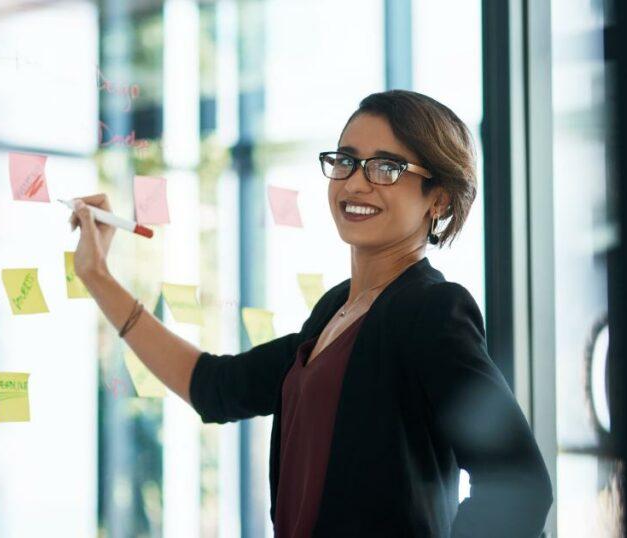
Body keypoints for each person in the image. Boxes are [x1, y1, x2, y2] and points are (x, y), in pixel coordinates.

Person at [66, 89, 553, 537]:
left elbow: (520, 486)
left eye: (386, 168)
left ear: (439, 197)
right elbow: (215, 387)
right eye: (346, 161)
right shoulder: (334, 311)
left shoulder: (431, 311)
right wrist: (97, 276)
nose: (356, 183)